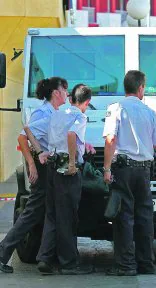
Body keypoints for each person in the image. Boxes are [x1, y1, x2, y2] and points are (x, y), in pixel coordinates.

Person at [0, 77, 68, 273]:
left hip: (48, 166)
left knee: (44, 213)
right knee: (31, 214)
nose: (67, 94)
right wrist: (32, 164)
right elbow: (23, 136)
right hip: (43, 169)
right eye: (64, 90)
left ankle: (45, 257)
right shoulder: (43, 113)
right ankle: (4, 250)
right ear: (56, 93)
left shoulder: (53, 112)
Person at [26, 84, 93, 275]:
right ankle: (69, 263)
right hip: (66, 171)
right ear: (86, 102)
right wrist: (72, 163)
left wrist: (41, 152)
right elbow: (72, 134)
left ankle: (45, 258)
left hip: (52, 168)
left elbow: (28, 129)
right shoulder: (79, 116)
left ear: (71, 98)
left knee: (52, 215)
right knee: (68, 217)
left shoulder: (56, 113)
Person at [103, 70, 156, 276]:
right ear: (140, 88)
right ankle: (146, 264)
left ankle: (126, 265)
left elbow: (110, 139)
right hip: (144, 170)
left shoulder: (116, 109)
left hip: (124, 169)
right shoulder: (150, 112)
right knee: (145, 216)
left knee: (124, 217)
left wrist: (107, 168)